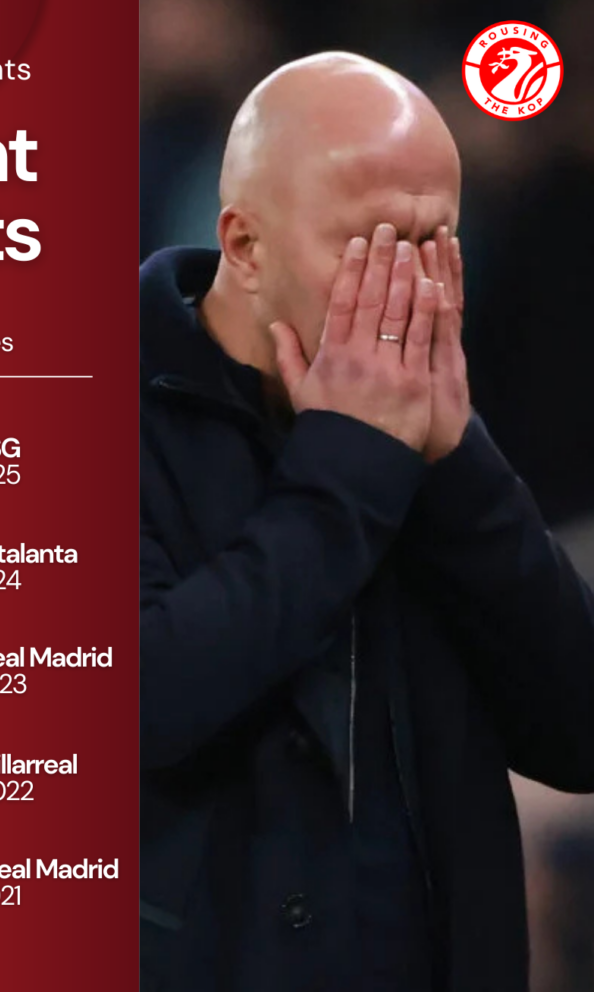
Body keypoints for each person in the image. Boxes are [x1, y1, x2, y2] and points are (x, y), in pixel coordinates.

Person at [139, 52, 594, 992]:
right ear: (245, 245)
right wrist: (349, 467)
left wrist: (457, 464)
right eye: (372, 244)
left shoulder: (431, 424)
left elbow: (575, 730)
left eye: (436, 244)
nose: (410, 288)